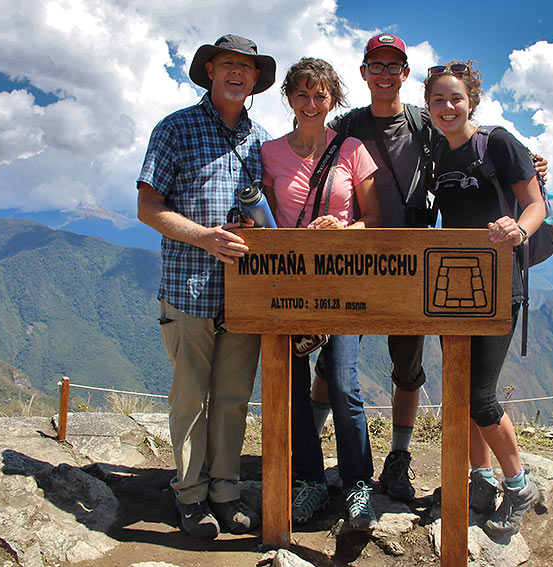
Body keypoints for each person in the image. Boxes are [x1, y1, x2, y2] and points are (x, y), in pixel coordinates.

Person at [313, 33, 549, 504]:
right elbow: (307, 151)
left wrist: (534, 169)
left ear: (404, 73)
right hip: (357, 259)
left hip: (419, 263)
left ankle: (400, 460)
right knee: (332, 362)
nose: (384, 74)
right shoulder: (345, 126)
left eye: (393, 66)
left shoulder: (427, 124)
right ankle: (309, 462)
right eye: (375, 66)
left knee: (409, 367)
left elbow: (500, 166)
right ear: (363, 73)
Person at [136, 34, 276, 539]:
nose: (238, 73)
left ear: (256, 79)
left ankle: (226, 491)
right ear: (210, 71)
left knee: (234, 397)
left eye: (247, 66)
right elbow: (147, 207)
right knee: (191, 397)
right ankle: (190, 496)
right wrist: (205, 238)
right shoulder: (175, 128)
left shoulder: (262, 140)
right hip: (188, 287)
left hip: (246, 294)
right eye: (228, 65)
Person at [423, 60, 545, 536]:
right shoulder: (436, 152)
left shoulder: (496, 142)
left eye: (456, 98)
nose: (448, 107)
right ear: (428, 106)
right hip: (452, 286)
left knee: (479, 395)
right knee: (458, 390)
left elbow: (535, 203)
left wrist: (518, 228)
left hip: (498, 287)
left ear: (471, 100)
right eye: (438, 100)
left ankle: (519, 485)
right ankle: (479, 480)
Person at [261, 57, 383, 530]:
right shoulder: (270, 153)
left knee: (344, 385)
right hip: (288, 288)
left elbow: (374, 219)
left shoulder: (352, 150)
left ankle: (357, 487)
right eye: (303, 95)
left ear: (333, 100)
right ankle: (308, 481)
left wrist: (344, 228)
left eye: (321, 95)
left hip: (343, 286)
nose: (312, 104)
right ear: (290, 98)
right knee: (291, 389)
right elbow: (264, 221)